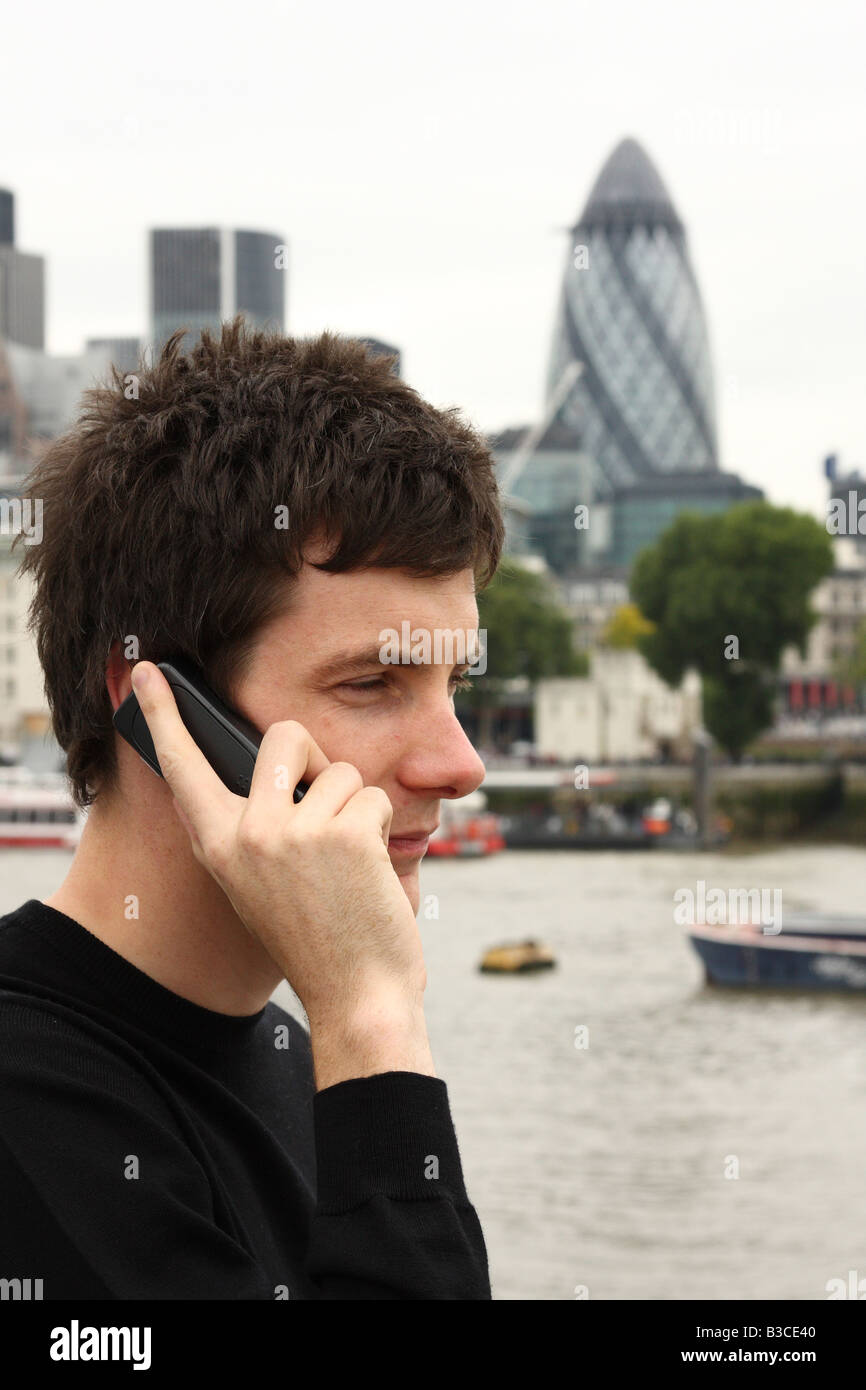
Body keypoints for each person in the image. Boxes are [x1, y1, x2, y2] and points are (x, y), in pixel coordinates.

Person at [0, 318, 504, 1299]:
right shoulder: (27, 1105)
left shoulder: (310, 1068)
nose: (461, 764)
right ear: (155, 709)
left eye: (456, 688)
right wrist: (371, 1014)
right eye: (372, 684)